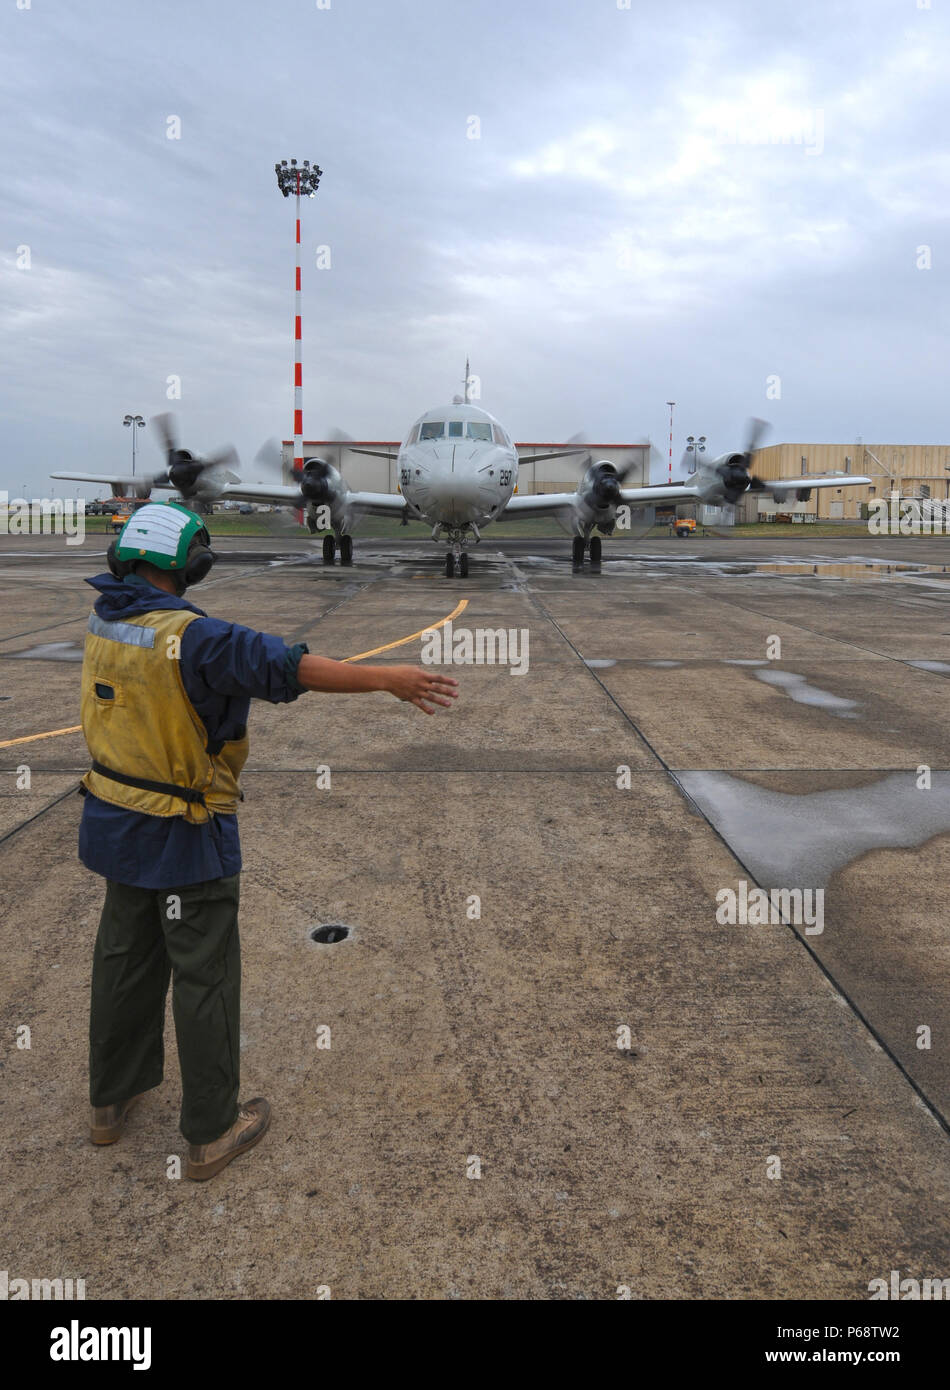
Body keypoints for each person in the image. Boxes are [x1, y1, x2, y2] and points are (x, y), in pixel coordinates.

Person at [81, 500, 457, 1179]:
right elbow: (290, 667)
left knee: (124, 959)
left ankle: (110, 1101)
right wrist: (389, 679)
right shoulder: (197, 638)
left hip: (114, 818)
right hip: (185, 833)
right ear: (189, 563)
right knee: (205, 975)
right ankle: (211, 1132)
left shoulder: (104, 618)